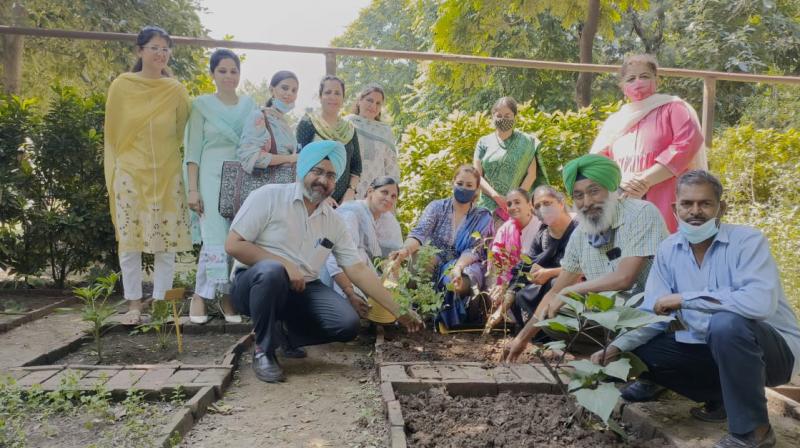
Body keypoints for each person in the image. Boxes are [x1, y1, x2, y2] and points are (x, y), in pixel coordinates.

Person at [591, 170, 800, 448]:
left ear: (720, 208)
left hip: (772, 354)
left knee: (726, 323)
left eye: (705, 204)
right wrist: (615, 348)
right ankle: (722, 398)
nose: (695, 211)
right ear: (675, 209)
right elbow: (653, 313)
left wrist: (686, 298)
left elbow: (758, 303)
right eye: (687, 204)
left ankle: (754, 431)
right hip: (713, 349)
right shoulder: (668, 249)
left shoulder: (747, 242)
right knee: (640, 346)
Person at [225, 140, 422, 383]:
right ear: (302, 171)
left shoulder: (333, 221)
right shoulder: (269, 197)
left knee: (347, 324)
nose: (323, 180)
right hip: (254, 284)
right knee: (272, 271)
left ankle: (283, 333)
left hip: (303, 287)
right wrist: (285, 264)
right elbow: (234, 244)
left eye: (330, 175)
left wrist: (398, 310)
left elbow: (357, 269)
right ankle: (263, 351)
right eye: (317, 171)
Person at [505, 154, 668, 362]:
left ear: (611, 190)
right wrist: (521, 339)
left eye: (594, 191)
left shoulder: (641, 213)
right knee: (553, 318)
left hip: (651, 314)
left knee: (652, 337)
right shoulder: (581, 234)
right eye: (579, 195)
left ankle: (639, 363)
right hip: (610, 318)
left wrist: (573, 289)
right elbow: (555, 292)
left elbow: (625, 277)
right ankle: (609, 357)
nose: (587, 202)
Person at [104, 26, 192, 325]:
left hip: (166, 173)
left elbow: (181, 131)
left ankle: (161, 305)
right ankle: (133, 305)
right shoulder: (122, 86)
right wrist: (123, 165)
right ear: (139, 51)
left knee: (165, 243)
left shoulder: (176, 90)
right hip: (129, 172)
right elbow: (113, 133)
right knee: (130, 241)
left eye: (166, 48)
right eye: (154, 47)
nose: (161, 54)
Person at [590, 53, 705, 233]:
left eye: (644, 76)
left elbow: (686, 144)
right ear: (622, 87)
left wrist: (644, 180)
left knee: (666, 245)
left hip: (667, 196)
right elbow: (598, 161)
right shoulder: (616, 121)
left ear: (656, 80)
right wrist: (620, 182)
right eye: (631, 78)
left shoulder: (674, 108)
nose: (638, 82)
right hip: (623, 197)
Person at [184, 49, 256, 324]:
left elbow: (257, 140)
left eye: (233, 71)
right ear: (212, 73)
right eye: (222, 70)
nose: (229, 76)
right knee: (215, 238)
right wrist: (193, 189)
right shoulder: (201, 105)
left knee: (235, 237)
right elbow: (192, 151)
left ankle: (213, 295)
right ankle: (211, 297)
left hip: (241, 177)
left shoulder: (249, 105)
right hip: (210, 176)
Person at [389, 165, 494, 330]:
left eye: (469, 185)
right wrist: (405, 251)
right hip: (435, 257)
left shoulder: (482, 216)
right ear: (453, 182)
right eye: (460, 183)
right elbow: (420, 233)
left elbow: (475, 249)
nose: (463, 188)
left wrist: (458, 268)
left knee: (457, 281)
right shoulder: (437, 207)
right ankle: (418, 314)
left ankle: (453, 318)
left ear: (476, 190)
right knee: (420, 258)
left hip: (463, 262)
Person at [321, 176, 404, 308]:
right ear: (370, 191)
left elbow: (393, 254)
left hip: (367, 270)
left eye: (394, 196)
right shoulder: (350, 213)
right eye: (384, 192)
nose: (389, 198)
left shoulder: (389, 220)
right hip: (337, 272)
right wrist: (350, 292)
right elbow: (335, 258)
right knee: (359, 255)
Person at [510, 186, 577, 326]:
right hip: (545, 286)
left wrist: (550, 273)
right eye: (537, 206)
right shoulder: (542, 235)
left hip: (576, 285)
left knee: (554, 283)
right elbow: (527, 265)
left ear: (561, 203)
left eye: (547, 203)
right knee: (519, 290)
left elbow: (586, 265)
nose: (542, 209)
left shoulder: (580, 230)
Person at [474, 96, 548, 221]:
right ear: (493, 116)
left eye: (508, 115)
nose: (503, 119)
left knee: (514, 240)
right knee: (485, 240)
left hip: (515, 208)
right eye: (499, 115)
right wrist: (496, 197)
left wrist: (514, 201)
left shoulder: (526, 142)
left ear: (514, 117)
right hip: (486, 207)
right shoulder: (483, 142)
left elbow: (531, 175)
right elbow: (477, 176)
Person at [296, 76, 361, 206]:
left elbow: (356, 168)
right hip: (312, 199)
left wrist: (350, 192)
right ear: (320, 97)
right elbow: (299, 163)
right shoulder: (308, 123)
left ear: (343, 99)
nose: (333, 97)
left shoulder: (349, 129)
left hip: (343, 204)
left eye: (337, 93)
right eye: (328, 92)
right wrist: (322, 196)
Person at [237, 70, 300, 175]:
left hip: (286, 186)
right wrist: (290, 158)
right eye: (285, 88)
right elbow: (251, 157)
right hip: (264, 187)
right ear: (272, 90)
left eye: (294, 90)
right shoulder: (259, 117)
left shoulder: (285, 124)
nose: (290, 93)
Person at [345, 85, 400, 199]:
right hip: (348, 190)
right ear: (360, 100)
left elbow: (391, 167)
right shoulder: (346, 124)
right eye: (369, 100)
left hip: (377, 194)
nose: (373, 106)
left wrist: (391, 197)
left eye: (378, 103)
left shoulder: (385, 131)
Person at [487, 188, 540, 287]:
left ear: (529, 205)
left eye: (517, 202)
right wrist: (497, 287)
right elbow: (496, 262)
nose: (513, 207)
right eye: (509, 204)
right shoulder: (504, 230)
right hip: (507, 283)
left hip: (534, 281)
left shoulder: (541, 227)